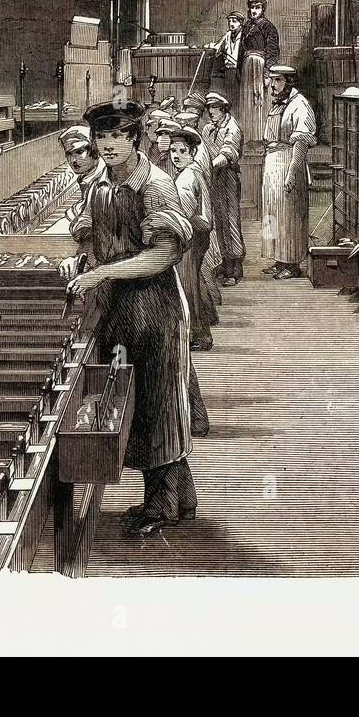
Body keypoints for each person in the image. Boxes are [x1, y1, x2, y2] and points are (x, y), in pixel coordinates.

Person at [60, 100, 197, 536]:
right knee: (134, 403)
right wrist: (82, 259)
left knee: (160, 401)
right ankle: (179, 498)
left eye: (119, 135)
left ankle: (161, 506)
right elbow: (90, 234)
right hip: (118, 307)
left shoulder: (155, 184)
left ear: (135, 138)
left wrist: (104, 272)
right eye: (102, 136)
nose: (109, 144)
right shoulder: (100, 184)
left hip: (155, 305)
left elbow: (166, 253)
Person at [167, 123, 220, 353]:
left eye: (182, 151)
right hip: (199, 233)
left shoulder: (187, 177)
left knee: (187, 284)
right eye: (173, 151)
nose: (176, 156)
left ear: (192, 152)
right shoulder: (191, 172)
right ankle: (205, 325)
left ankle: (198, 335)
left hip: (192, 234)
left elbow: (184, 212)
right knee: (194, 279)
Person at [260, 65, 316, 280]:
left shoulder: (300, 104)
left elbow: (301, 142)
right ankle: (278, 259)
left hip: (288, 161)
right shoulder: (276, 104)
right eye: (271, 80)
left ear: (289, 82)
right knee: (272, 212)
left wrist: (292, 173)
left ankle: (292, 263)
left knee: (289, 216)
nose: (273, 85)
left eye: (278, 80)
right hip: (272, 163)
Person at [201, 91, 245, 284]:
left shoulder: (232, 127)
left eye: (215, 107)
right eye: (209, 108)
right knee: (218, 221)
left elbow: (228, 152)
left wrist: (208, 166)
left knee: (230, 221)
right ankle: (225, 263)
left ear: (223, 109)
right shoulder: (208, 128)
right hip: (212, 179)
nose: (211, 111)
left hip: (227, 177)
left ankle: (235, 269)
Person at [239, 0, 280, 143]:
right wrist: (239, 70)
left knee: (259, 99)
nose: (254, 10)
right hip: (247, 65)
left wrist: (267, 73)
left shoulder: (268, 26)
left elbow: (273, 51)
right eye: (252, 7)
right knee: (247, 100)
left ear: (263, 9)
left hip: (260, 66)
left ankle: (260, 136)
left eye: (257, 7)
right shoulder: (246, 26)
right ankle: (248, 136)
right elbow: (241, 50)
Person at [212, 13, 244, 108]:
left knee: (238, 98)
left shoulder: (244, 36)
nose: (231, 24)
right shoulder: (228, 34)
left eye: (234, 21)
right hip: (228, 71)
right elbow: (218, 47)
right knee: (228, 98)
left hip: (239, 71)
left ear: (240, 23)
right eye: (229, 21)